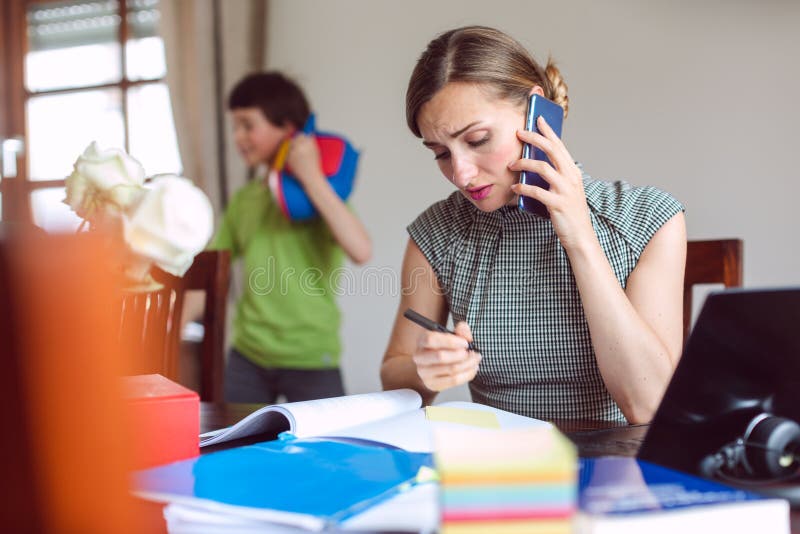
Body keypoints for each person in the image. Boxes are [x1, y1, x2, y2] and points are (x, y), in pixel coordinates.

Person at [381, 26, 686, 424]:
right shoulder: (438, 232)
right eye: (440, 153)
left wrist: (579, 237)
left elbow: (649, 404)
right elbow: (394, 373)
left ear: (536, 112)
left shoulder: (648, 218)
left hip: (616, 472)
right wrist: (426, 369)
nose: (461, 173)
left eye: (477, 140)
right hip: (500, 471)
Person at [210, 71, 371, 403]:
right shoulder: (244, 201)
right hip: (248, 357)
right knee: (238, 451)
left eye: (248, 125)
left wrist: (311, 176)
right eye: (235, 126)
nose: (238, 137)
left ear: (287, 129)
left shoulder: (322, 197)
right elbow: (211, 270)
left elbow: (361, 250)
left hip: (312, 358)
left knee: (324, 455)